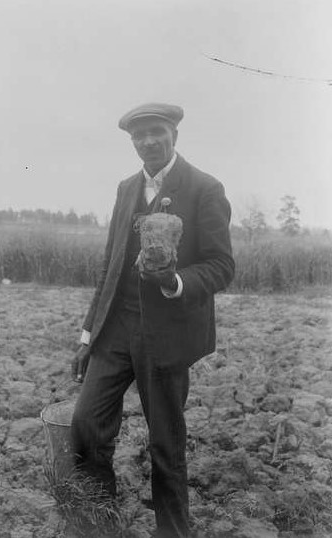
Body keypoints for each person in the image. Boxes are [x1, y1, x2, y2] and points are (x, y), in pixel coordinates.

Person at [70, 102, 235, 538]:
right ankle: (98, 522)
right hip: (116, 328)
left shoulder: (204, 188)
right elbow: (110, 264)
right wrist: (89, 333)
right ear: (132, 142)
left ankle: (173, 531)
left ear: (174, 136)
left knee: (165, 442)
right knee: (86, 422)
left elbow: (221, 266)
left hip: (166, 334)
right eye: (138, 136)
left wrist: (174, 281)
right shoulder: (127, 188)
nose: (147, 142)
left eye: (156, 132)